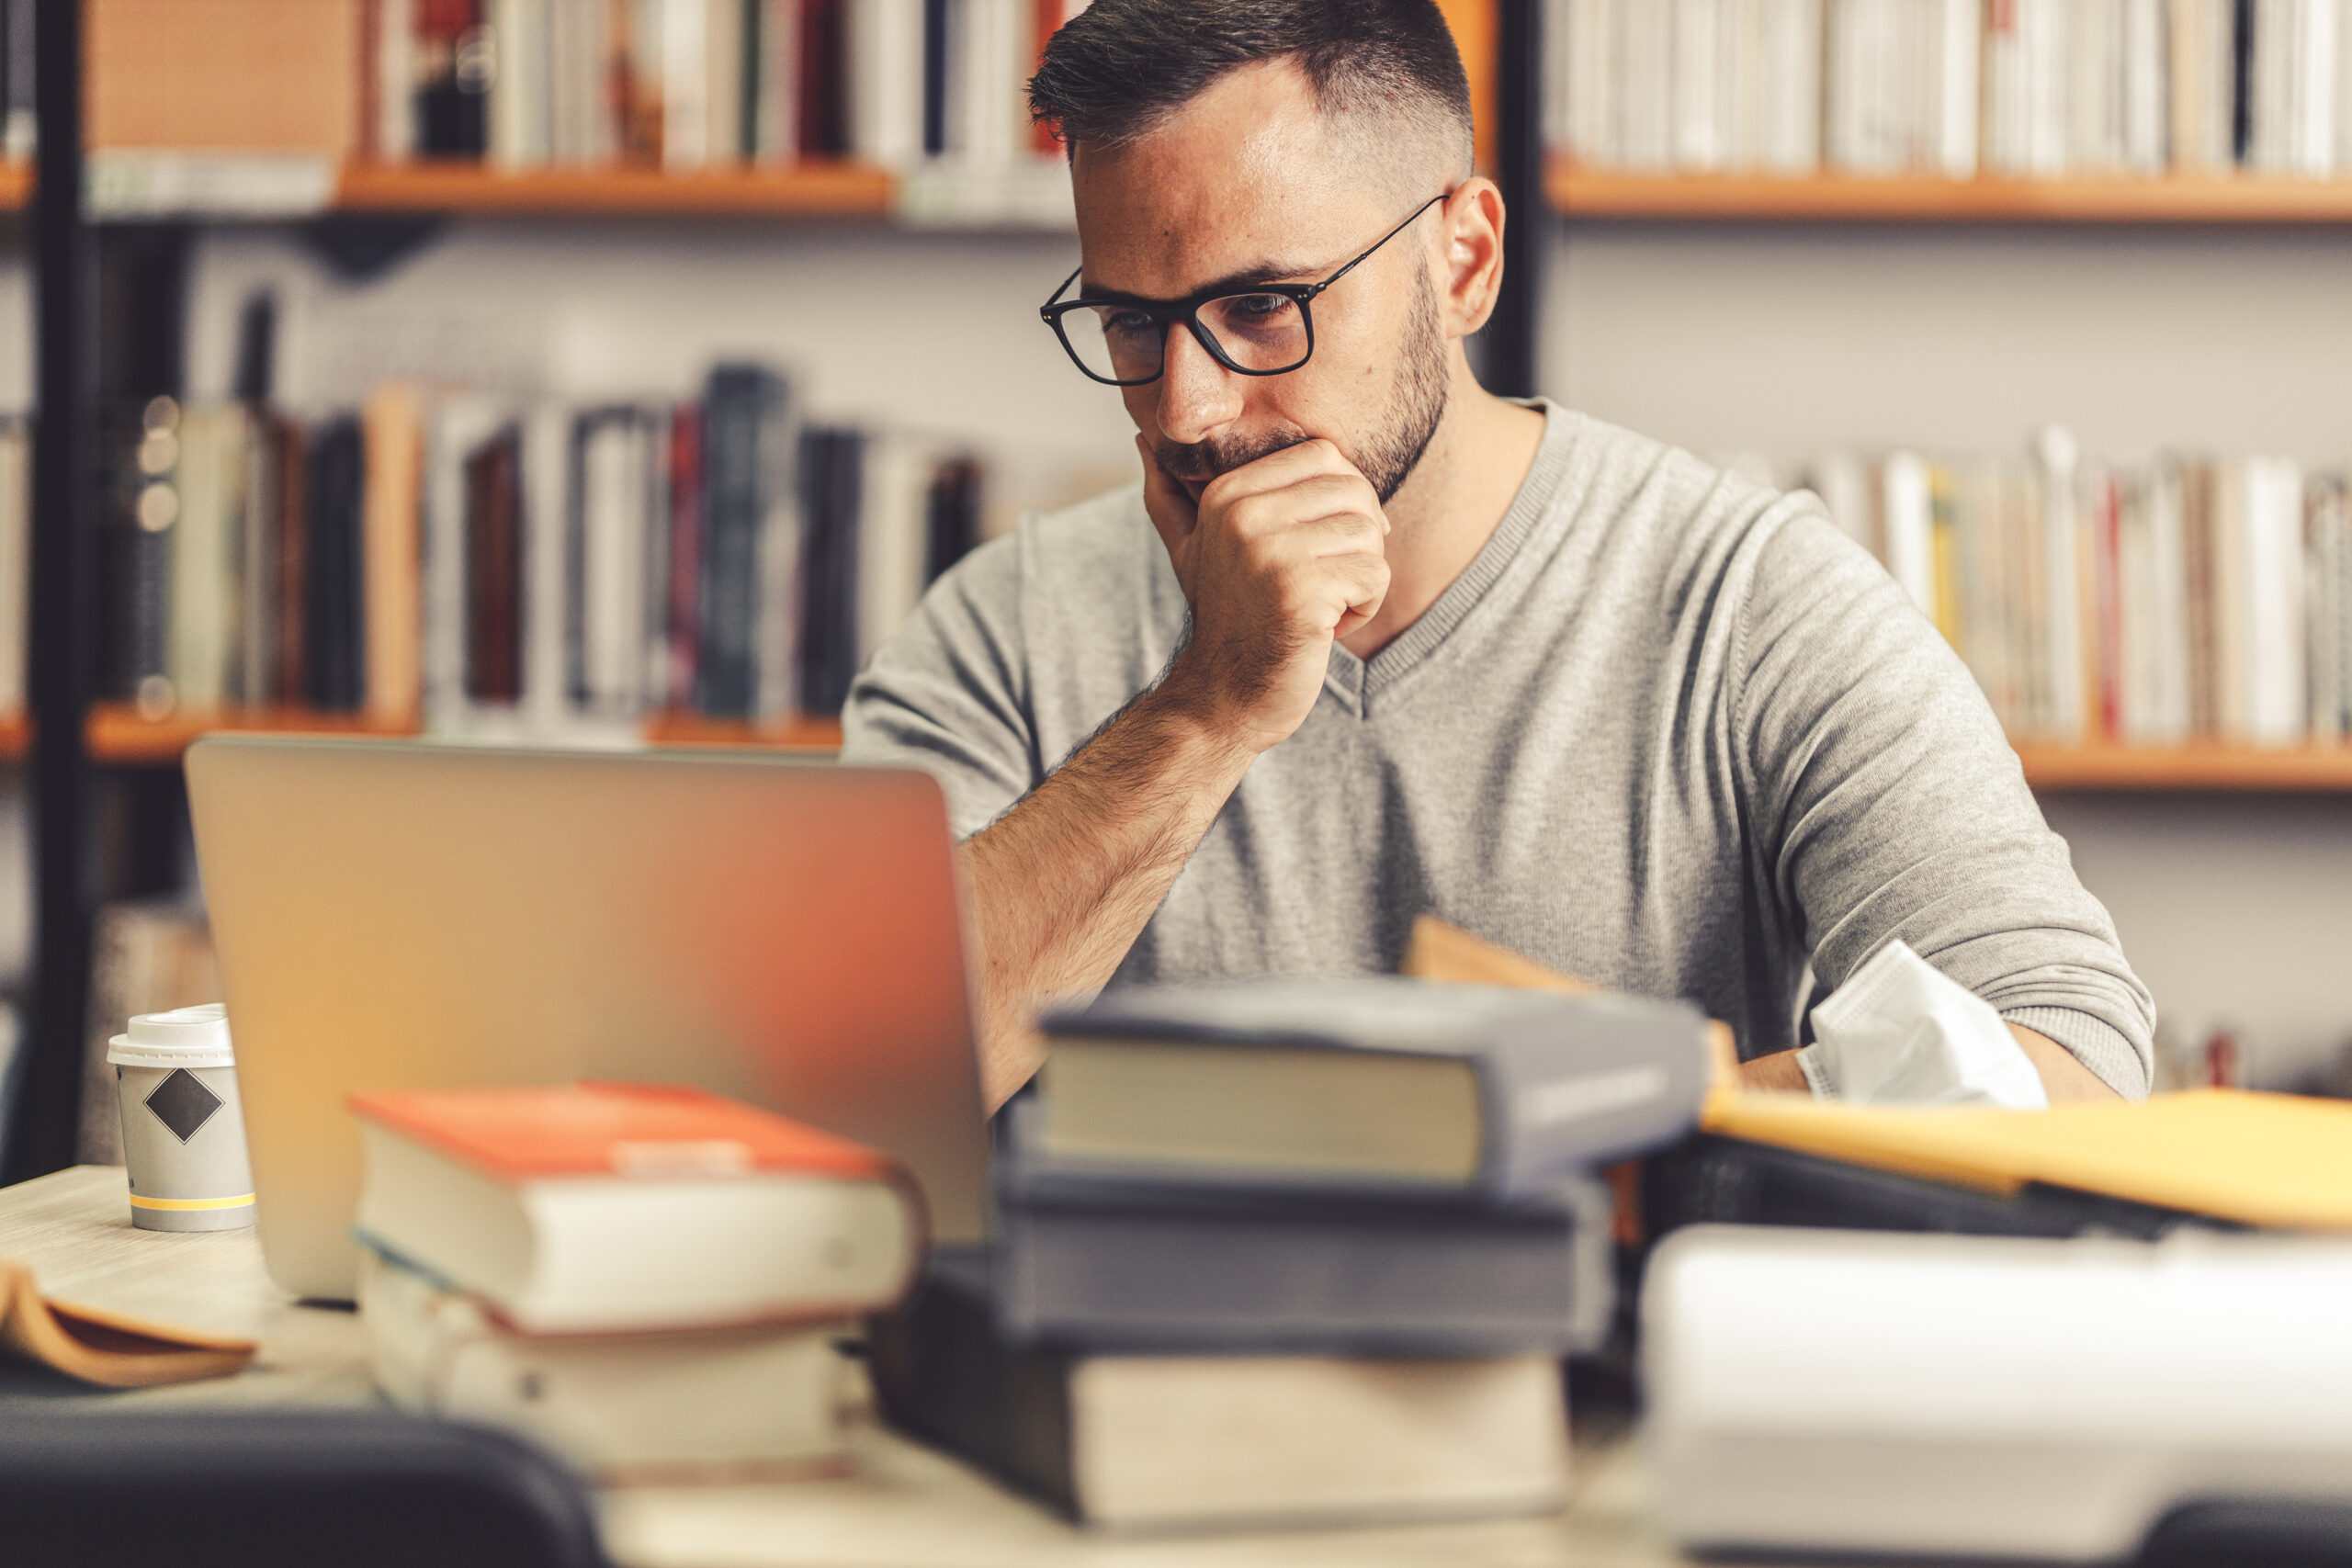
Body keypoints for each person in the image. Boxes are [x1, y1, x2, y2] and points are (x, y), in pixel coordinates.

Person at [842, 0, 2154, 1111]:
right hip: (1109, 1412)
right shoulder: (998, 627)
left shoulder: (1750, 605)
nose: (1184, 406)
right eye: (1132, 321)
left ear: (1463, 263)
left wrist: (1557, 1128)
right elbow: (862, 1083)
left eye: (1262, 306)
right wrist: (1208, 708)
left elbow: (2067, 1049)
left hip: (1609, 1403)